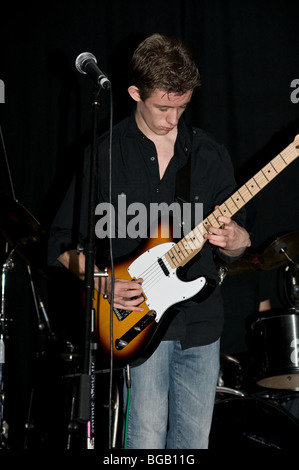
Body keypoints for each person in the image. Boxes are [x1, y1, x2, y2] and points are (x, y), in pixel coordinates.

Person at [48, 33, 251, 449]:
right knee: (143, 441)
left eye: (181, 106)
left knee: (193, 445)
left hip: (201, 325)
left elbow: (239, 245)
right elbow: (61, 244)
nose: (173, 118)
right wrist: (103, 279)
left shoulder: (209, 154)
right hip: (136, 323)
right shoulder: (104, 154)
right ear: (134, 93)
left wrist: (234, 239)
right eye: (163, 106)